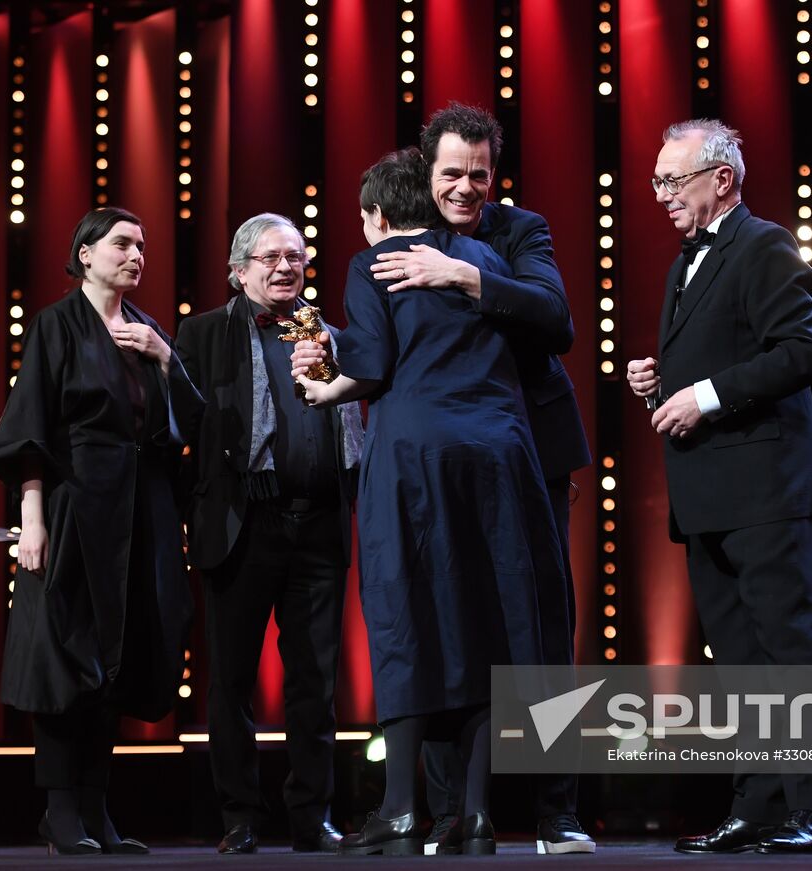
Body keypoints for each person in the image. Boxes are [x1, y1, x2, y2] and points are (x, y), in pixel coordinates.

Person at [292, 102, 594, 856]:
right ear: (426, 175)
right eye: (452, 174)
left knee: (527, 624)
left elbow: (557, 320)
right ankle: (457, 810)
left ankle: (556, 809)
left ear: (495, 176)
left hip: (511, 453)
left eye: (479, 176)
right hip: (479, 444)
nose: (466, 188)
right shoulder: (414, 247)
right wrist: (331, 349)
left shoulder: (511, 235)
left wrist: (460, 273)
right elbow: (387, 347)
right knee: (457, 619)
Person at [625, 119, 812, 854]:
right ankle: (758, 803)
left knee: (789, 649)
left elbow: (803, 350)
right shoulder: (683, 263)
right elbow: (720, 357)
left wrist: (706, 395)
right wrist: (662, 384)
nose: (661, 194)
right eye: (656, 181)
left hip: (765, 487)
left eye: (673, 180)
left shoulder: (764, 244)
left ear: (721, 180)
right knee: (742, 662)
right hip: (709, 492)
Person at [0, 207, 203, 856]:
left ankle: (94, 807)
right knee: (63, 654)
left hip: (139, 513)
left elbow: (192, 424)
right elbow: (30, 425)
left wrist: (165, 359)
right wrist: (31, 520)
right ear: (85, 253)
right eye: (122, 243)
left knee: (118, 656)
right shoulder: (56, 325)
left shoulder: (147, 331)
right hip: (75, 505)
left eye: (142, 245)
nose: (137, 255)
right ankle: (59, 809)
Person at [174, 213, 363, 855]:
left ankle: (312, 817)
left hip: (318, 525)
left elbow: (351, 422)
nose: (287, 267)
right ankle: (239, 817)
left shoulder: (330, 335)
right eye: (272, 257)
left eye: (297, 257)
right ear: (239, 271)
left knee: (315, 681)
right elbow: (180, 429)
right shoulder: (202, 333)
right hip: (242, 526)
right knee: (231, 680)